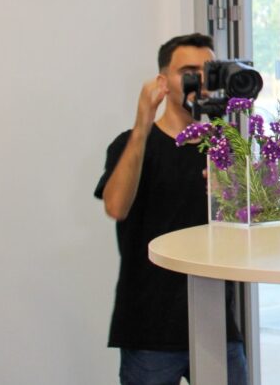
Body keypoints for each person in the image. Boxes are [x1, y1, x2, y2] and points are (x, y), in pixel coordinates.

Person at [95, 33, 247, 385]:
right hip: (150, 328)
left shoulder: (223, 149)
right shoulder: (132, 144)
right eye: (188, 71)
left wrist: (234, 192)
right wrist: (141, 126)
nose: (199, 81)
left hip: (217, 322)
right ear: (162, 81)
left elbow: (246, 233)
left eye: (208, 71)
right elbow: (116, 206)